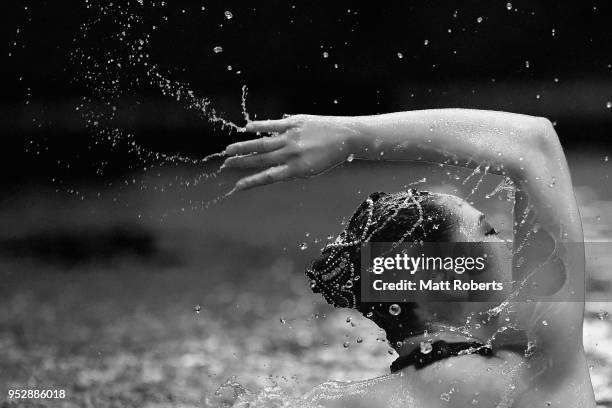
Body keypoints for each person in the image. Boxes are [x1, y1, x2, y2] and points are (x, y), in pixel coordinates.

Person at [223, 109, 596, 408]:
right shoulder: (536, 371)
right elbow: (533, 142)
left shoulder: (330, 401)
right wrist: (351, 136)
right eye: (488, 233)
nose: (511, 243)